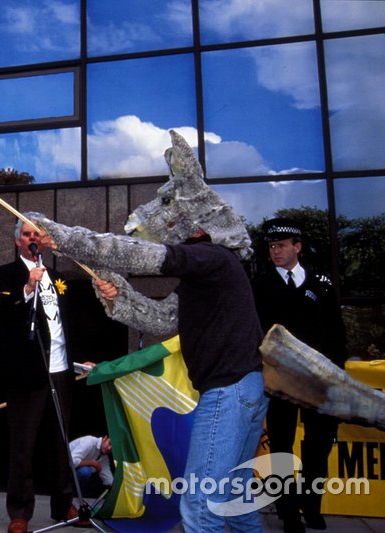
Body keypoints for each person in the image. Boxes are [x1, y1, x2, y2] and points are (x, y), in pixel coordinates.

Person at [27, 129, 269, 533]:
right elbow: (160, 320)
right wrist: (117, 293)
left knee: (201, 504)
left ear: (191, 223)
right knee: (234, 503)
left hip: (229, 390)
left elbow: (140, 254)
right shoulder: (208, 274)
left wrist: (65, 239)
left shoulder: (212, 258)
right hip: (241, 390)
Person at [0, 218, 82, 533]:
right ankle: (19, 511)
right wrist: (27, 287)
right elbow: (1, 314)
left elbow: (63, 323)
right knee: (23, 445)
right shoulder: (5, 274)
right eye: (27, 234)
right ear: (18, 241)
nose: (32, 238)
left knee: (60, 442)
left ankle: (62, 504)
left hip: (60, 370)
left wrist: (78, 360)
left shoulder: (56, 277)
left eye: (37, 234)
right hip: (27, 372)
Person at [253, 218, 347, 533]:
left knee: (318, 445)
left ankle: (312, 506)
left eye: (281, 245)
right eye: (271, 246)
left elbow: (336, 333)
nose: (275, 251)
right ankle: (289, 512)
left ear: (298, 247)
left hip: (319, 381)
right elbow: (257, 334)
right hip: (281, 382)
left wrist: (337, 377)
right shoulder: (261, 285)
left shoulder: (322, 283)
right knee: (281, 446)